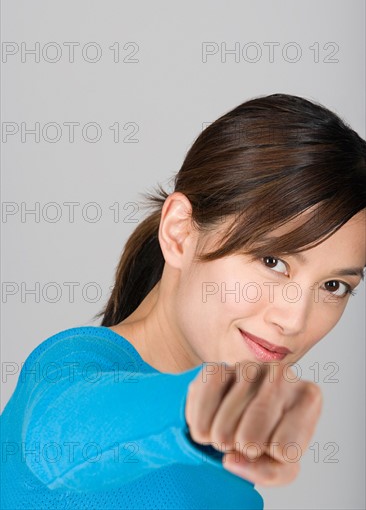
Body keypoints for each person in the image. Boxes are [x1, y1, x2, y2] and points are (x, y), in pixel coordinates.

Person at [1, 93, 365, 509]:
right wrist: (198, 404)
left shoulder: (235, 487)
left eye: (334, 286)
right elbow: (64, 428)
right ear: (179, 233)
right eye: (272, 261)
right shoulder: (67, 370)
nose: (295, 320)